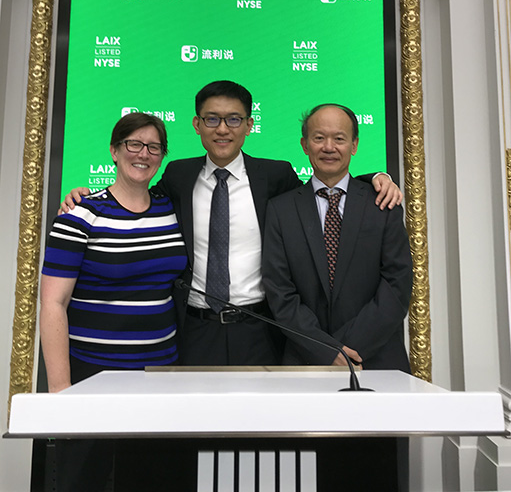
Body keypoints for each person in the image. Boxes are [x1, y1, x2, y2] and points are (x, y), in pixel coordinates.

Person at [60, 81, 403, 367]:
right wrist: (87, 196)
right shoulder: (179, 175)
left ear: (249, 125)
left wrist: (376, 178)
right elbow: (137, 196)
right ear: (196, 124)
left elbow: (322, 193)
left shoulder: (274, 175)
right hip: (194, 330)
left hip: (262, 329)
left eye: (234, 119)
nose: (222, 129)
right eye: (212, 119)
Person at [261, 103, 413, 491]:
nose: (329, 146)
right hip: (304, 363)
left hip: (377, 362)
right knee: (307, 474)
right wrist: (326, 349)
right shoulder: (280, 209)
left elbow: (397, 284)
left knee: (378, 473)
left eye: (339, 138)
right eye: (319, 137)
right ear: (304, 144)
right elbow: (280, 291)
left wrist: (349, 347)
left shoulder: (384, 203)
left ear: (355, 145)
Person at [40, 113, 187, 492]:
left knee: (149, 479)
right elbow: (53, 304)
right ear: (114, 150)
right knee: (82, 480)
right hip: (93, 375)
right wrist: (61, 391)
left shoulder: (169, 208)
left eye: (154, 147)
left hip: (159, 373)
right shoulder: (80, 216)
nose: (143, 154)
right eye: (133, 144)